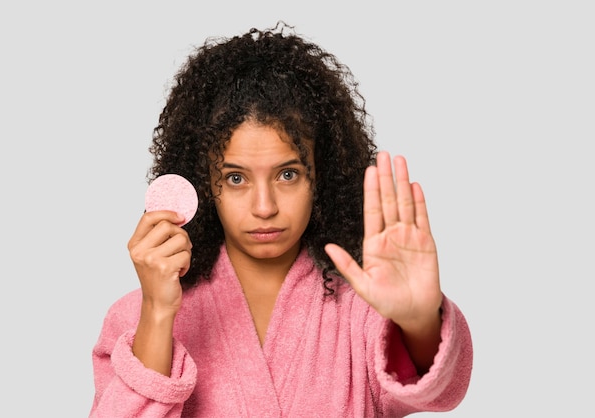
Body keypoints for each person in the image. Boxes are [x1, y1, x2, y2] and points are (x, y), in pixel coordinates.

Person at [89, 22, 473, 417]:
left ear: (321, 175)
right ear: (203, 183)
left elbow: (436, 393)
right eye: (235, 178)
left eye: (288, 174)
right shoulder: (134, 319)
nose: (264, 206)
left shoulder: (367, 306)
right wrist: (157, 311)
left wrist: (420, 322)